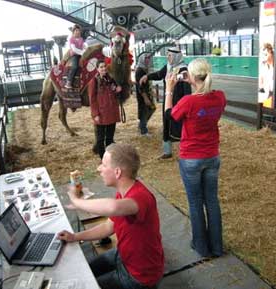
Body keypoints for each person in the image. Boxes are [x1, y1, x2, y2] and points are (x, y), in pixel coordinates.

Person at [58, 143, 164, 289]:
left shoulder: (140, 197)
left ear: (117, 172)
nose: (98, 169)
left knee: (84, 285)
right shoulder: (123, 193)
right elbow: (109, 227)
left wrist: (77, 202)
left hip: (140, 276)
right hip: (124, 255)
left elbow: (112, 207)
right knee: (84, 272)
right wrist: (75, 237)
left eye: (103, 165)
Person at [164, 58, 226, 258]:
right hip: (212, 155)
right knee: (212, 201)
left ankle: (201, 246)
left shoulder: (188, 102)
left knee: (195, 202)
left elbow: (169, 116)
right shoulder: (220, 97)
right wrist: (190, 81)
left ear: (191, 76)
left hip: (191, 158)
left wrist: (169, 89)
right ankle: (217, 247)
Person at [140, 47, 191, 159]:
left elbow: (187, 92)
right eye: (167, 55)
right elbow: (159, 74)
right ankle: (167, 152)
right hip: (168, 102)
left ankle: (186, 152)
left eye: (170, 55)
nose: (168, 57)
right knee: (167, 125)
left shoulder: (183, 70)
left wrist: (185, 106)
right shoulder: (169, 67)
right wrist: (147, 77)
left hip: (179, 105)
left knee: (181, 128)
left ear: (176, 56)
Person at [89, 60, 122, 159]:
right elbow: (92, 99)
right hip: (102, 113)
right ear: (97, 69)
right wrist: (96, 114)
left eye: (104, 67)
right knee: (100, 138)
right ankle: (103, 158)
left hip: (111, 112)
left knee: (109, 137)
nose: (103, 69)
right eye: (101, 67)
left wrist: (117, 90)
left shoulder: (111, 79)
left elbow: (114, 91)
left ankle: (109, 157)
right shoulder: (94, 81)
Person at [135, 53, 156, 136]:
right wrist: (145, 97)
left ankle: (141, 124)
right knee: (144, 110)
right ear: (142, 59)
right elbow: (139, 86)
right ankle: (143, 130)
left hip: (147, 93)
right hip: (142, 95)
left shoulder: (145, 69)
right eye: (146, 58)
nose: (148, 60)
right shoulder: (139, 70)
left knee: (152, 108)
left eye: (148, 58)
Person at [65, 24, 87, 89]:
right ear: (73, 31)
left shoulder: (81, 39)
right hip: (75, 55)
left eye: (78, 30)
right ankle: (68, 81)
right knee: (75, 66)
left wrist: (85, 49)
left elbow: (83, 46)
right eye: (76, 30)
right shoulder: (71, 39)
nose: (77, 32)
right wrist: (82, 52)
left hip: (81, 54)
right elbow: (74, 49)